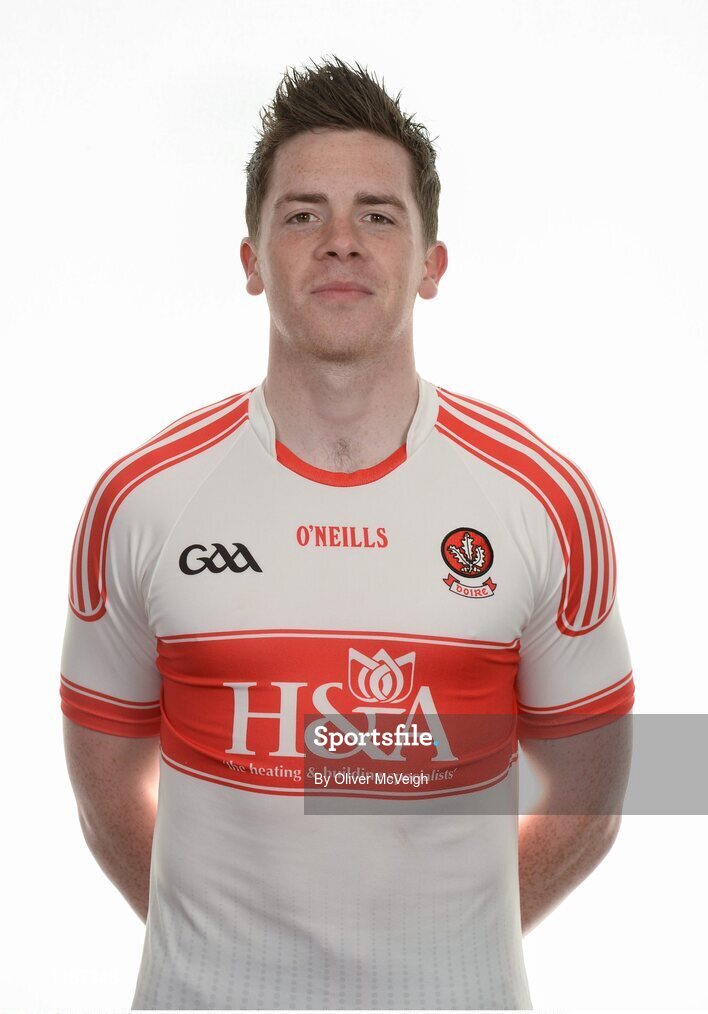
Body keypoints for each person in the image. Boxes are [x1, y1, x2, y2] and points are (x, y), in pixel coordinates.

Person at [60, 55, 634, 1011]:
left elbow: (597, 795)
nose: (339, 242)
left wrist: (446, 947)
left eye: (378, 213)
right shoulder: (141, 501)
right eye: (300, 215)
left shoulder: (543, 500)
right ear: (250, 259)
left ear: (431, 263)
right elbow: (104, 792)